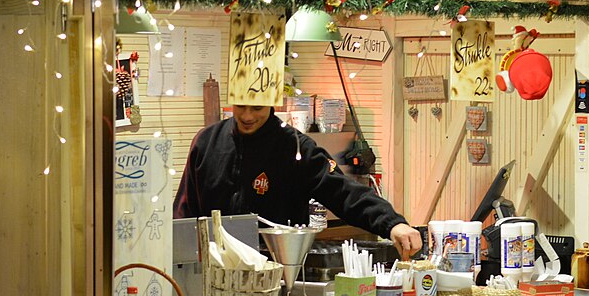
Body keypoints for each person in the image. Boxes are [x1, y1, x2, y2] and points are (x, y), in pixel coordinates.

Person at [174, 105, 423, 259]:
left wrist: (392, 224)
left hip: (275, 276)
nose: (247, 115)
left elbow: (342, 191)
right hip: (208, 272)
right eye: (241, 106)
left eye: (257, 108)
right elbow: (183, 213)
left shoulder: (295, 147)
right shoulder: (206, 142)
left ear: (272, 102)